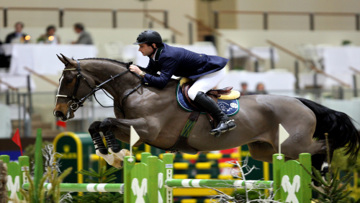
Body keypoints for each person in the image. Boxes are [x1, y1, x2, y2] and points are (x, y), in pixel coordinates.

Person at [129, 30, 236, 137]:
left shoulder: (168, 56)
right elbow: (150, 72)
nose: (139, 49)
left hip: (214, 70)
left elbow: (161, 82)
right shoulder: (155, 54)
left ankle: (225, 120)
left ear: (153, 45)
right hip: (199, 73)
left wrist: (141, 73)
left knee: (193, 93)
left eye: (142, 46)